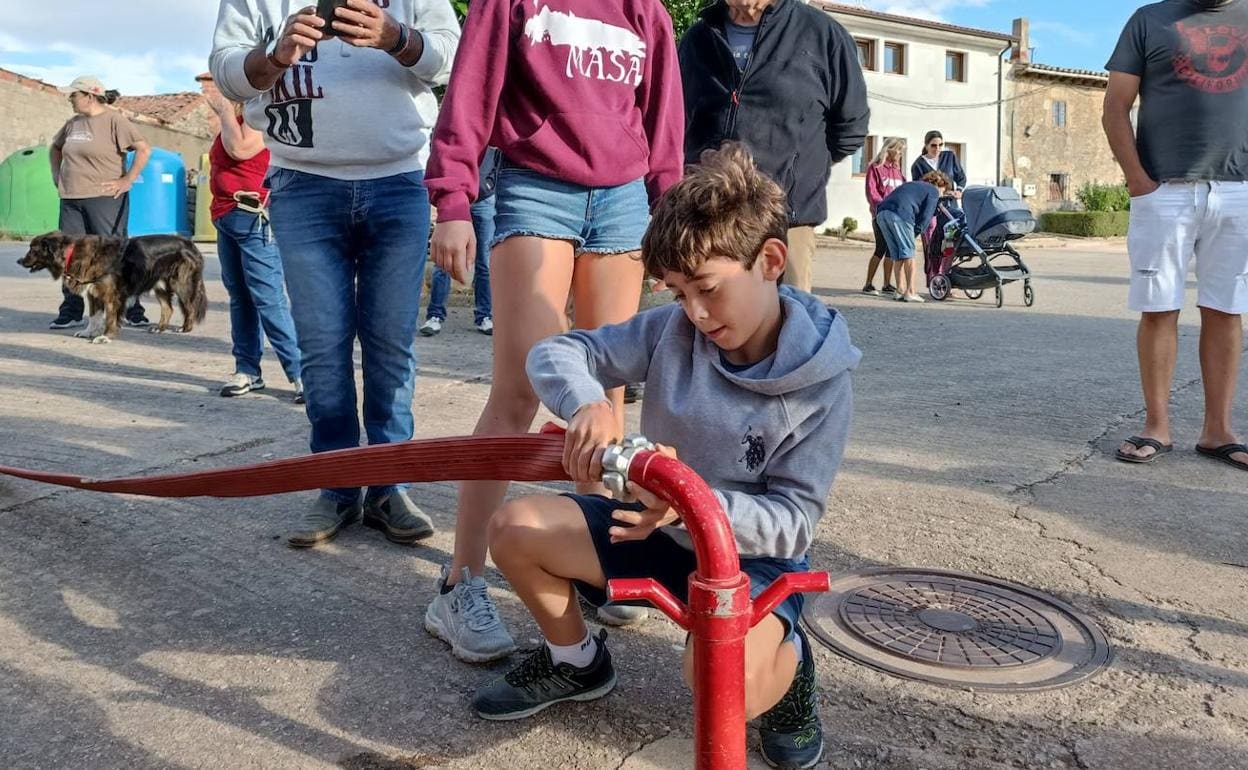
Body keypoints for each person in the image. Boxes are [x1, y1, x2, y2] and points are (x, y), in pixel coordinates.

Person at [474, 144, 858, 770]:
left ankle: (790, 679)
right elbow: (554, 354)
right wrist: (587, 403)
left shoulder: (821, 380)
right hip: (650, 526)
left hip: (746, 564)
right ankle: (577, 663)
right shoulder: (672, 330)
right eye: (678, 294)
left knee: (717, 683)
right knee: (516, 529)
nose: (695, 313)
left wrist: (686, 506)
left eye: (706, 288)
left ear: (770, 260)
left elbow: (793, 522)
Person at [422, 0, 684, 662]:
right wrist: (452, 201)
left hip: (625, 199)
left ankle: (595, 564)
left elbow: (664, 121)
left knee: (610, 398)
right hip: (535, 186)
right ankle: (460, 583)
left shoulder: (645, 9)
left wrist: (671, 217)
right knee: (522, 390)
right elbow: (470, 96)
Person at [210, 0, 461, 545]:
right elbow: (229, 72)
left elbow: (453, 59)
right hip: (302, 185)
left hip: (399, 182)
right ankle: (338, 484)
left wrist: (397, 36)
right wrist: (276, 54)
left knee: (391, 345)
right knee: (322, 347)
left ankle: (389, 484)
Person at [1104, 0, 1248, 472]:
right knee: (1159, 307)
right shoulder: (1149, 20)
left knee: (1227, 309)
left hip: (1239, 190)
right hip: (1164, 189)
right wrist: (1137, 181)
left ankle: (1218, 432)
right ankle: (1157, 426)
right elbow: (1115, 107)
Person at [679, 0, 870, 293]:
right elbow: (676, 117)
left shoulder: (822, 34)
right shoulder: (699, 37)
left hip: (786, 220)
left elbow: (850, 125)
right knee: (703, 326)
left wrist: (801, 168)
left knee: (786, 326)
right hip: (708, 215)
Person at [206, 92, 303, 403]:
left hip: (253, 218)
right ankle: (247, 370)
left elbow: (240, 150)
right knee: (241, 298)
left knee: (268, 298)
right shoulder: (235, 120)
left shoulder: (262, 115)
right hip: (226, 218)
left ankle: (302, 374)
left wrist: (222, 111)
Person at [48, 75, 152, 330]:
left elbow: (143, 148)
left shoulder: (114, 120)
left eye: (73, 94)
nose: (70, 99)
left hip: (105, 198)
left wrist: (128, 180)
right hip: (72, 198)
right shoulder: (73, 123)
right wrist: (56, 175)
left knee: (112, 254)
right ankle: (72, 310)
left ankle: (130, 308)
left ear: (89, 96)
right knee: (71, 255)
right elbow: (55, 148)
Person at [419, 147, 499, 337]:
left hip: (484, 199)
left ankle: (484, 316)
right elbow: (440, 155)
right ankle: (435, 316)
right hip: (455, 198)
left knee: (485, 262)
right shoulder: (450, 124)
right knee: (444, 260)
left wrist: (490, 185)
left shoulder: (491, 123)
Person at [876, 171, 951, 303]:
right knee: (909, 254)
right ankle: (910, 291)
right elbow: (925, 219)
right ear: (939, 185)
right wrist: (914, 234)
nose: (941, 195)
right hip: (901, 214)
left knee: (898, 254)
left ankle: (899, 290)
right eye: (942, 191)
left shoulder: (912, 185)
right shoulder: (933, 191)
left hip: (882, 214)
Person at [863, 138, 906, 296]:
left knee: (891, 250)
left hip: (896, 216)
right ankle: (868, 284)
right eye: (899, 150)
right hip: (880, 215)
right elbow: (871, 192)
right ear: (890, 149)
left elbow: (903, 190)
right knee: (881, 248)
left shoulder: (897, 170)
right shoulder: (875, 168)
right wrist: (882, 207)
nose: (900, 154)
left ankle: (887, 284)